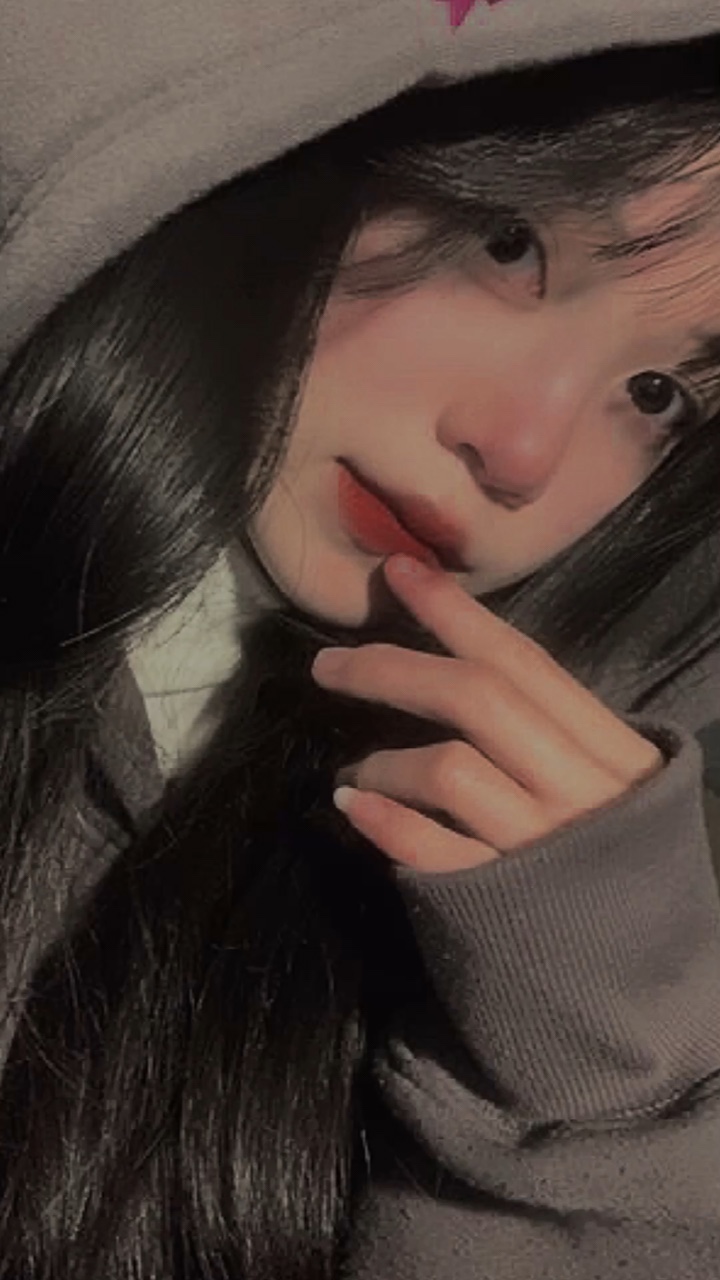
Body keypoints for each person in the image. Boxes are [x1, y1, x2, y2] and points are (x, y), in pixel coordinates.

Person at [0, 3, 719, 1278]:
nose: (522, 450)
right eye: (511, 245)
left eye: (657, 394)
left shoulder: (477, 861)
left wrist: (592, 1080)